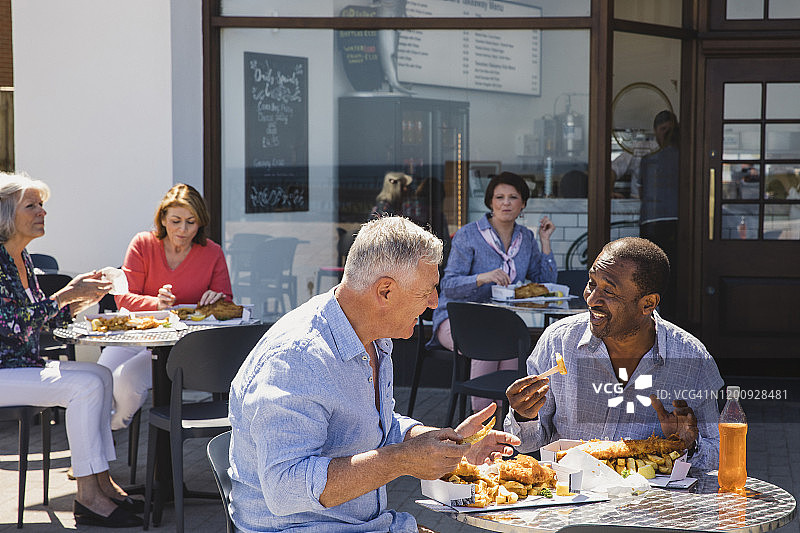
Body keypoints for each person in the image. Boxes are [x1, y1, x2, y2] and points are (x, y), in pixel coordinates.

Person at [228, 216, 520, 533]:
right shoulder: (298, 358)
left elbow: (371, 426)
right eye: (427, 291)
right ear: (385, 291)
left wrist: (447, 444)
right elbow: (285, 489)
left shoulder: (375, 336)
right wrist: (402, 460)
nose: (435, 303)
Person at [504, 237, 723, 471]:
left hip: (650, 503)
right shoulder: (557, 342)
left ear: (648, 304)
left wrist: (688, 446)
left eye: (608, 291)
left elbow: (718, 453)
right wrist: (524, 416)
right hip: (573, 499)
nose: (591, 299)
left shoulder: (693, 361)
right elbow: (527, 444)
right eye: (591, 283)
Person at [0, 172, 143, 527]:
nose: (41, 212)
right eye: (31, 206)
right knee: (85, 386)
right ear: (4, 214)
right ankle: (87, 496)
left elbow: (40, 321)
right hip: (4, 370)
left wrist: (82, 299)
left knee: (100, 373)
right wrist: (67, 293)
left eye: (42, 205)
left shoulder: (23, 258)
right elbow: (14, 324)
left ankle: (101, 480)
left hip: (21, 365)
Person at [97, 183, 232, 430]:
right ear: (162, 219)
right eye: (176, 220)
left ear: (200, 222)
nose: (183, 229)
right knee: (99, 377)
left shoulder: (212, 253)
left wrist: (217, 298)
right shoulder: (142, 243)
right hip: (134, 336)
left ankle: (113, 427)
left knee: (125, 381)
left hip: (178, 347)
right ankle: (95, 454)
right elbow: (123, 297)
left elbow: (228, 304)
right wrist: (156, 304)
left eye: (191, 222)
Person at [431, 171, 557, 412]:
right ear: (490, 202)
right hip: (458, 320)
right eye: (499, 197)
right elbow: (448, 286)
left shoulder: (526, 237)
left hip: (501, 323)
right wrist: (482, 278)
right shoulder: (468, 234)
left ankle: (503, 426)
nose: (506, 203)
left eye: (513, 197)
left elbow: (545, 283)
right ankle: (482, 424)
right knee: (489, 344)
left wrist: (545, 241)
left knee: (510, 344)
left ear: (523, 204)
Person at [635, 110, 680, 319]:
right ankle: (670, 317)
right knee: (674, 276)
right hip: (674, 222)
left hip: (652, 222)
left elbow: (640, 192)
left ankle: (653, 318)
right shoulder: (686, 158)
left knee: (653, 275)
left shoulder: (649, 160)